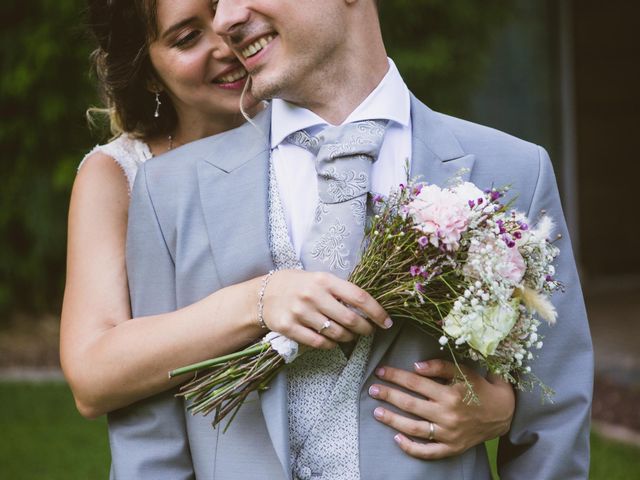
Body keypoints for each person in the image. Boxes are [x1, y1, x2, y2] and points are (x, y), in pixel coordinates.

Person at [110, 1, 593, 479]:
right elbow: (150, 443)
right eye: (218, 2)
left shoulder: (513, 172)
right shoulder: (169, 191)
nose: (225, 19)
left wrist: (496, 402)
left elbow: (551, 426)